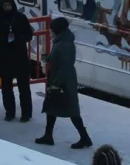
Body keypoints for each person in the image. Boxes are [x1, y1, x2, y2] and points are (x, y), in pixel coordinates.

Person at [36, 17, 92, 149]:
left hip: (63, 82)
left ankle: (84, 137)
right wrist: (48, 58)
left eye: (52, 28)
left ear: (57, 29)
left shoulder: (63, 44)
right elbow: (59, 58)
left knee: (71, 110)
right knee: (52, 108)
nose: (50, 31)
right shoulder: (61, 40)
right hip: (62, 80)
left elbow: (65, 66)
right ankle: (48, 135)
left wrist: (56, 83)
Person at [0, 0, 34, 122]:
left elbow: (28, 35)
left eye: (8, 5)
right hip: (5, 57)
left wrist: (17, 38)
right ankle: (9, 112)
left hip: (20, 56)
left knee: (24, 88)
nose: (7, 8)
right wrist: (5, 39)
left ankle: (26, 113)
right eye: (4, 5)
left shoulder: (20, 18)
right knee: (6, 88)